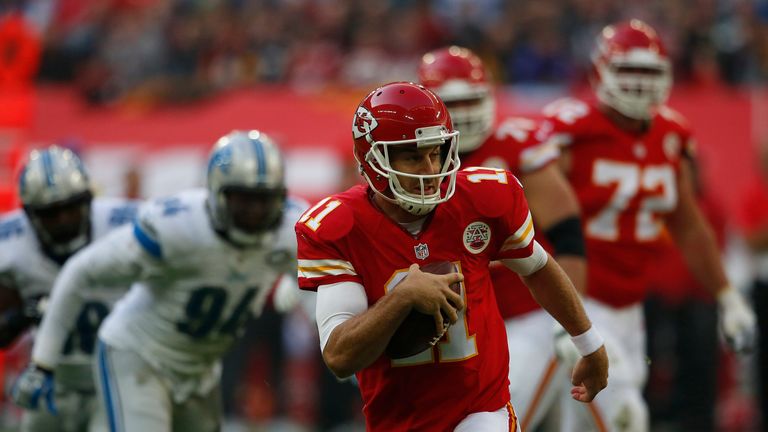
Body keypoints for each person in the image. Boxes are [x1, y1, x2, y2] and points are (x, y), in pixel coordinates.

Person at [296, 81, 608, 431]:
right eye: (413, 156)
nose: (430, 169)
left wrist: (589, 343)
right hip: (397, 420)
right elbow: (339, 356)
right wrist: (401, 299)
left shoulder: (480, 199)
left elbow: (536, 267)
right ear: (372, 160)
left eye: (436, 153)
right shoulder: (340, 227)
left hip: (482, 410)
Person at [539, 19, 757, 431]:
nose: (639, 84)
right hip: (580, 302)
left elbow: (689, 227)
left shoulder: (672, 134)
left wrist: (727, 295)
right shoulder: (572, 130)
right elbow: (527, 213)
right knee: (626, 419)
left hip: (630, 308)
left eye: (648, 72)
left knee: (580, 423)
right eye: (628, 71)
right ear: (601, 70)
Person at [11, 130, 308, 432]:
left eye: (264, 199)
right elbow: (80, 271)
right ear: (217, 193)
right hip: (140, 354)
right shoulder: (179, 225)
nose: (256, 212)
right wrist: (43, 363)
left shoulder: (292, 227)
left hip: (200, 366)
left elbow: (320, 285)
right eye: (244, 200)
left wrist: (298, 278)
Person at [418, 46, 586, 431]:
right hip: (455, 327)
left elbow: (569, 234)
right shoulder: (409, 158)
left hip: (524, 315)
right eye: (451, 102)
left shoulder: (516, 144)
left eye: (470, 100)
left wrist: (569, 322)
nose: (461, 112)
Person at [1, 145, 138, 432]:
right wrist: (20, 318)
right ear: (30, 215)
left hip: (120, 381)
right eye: (51, 213)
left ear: (89, 200)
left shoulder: (124, 224)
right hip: (53, 380)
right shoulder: (11, 245)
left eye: (71, 208)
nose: (63, 220)